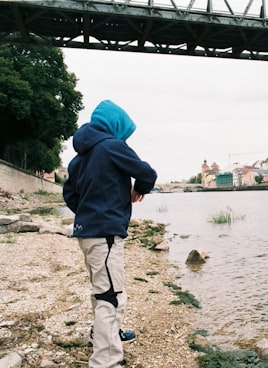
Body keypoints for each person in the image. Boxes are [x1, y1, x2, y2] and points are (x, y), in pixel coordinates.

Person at [63, 100, 157, 368]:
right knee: (111, 296)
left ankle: (105, 334)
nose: (124, 139)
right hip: (105, 233)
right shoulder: (112, 147)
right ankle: (105, 360)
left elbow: (69, 192)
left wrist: (87, 211)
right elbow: (147, 173)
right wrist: (139, 188)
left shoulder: (79, 158)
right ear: (115, 127)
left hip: (87, 232)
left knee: (101, 290)